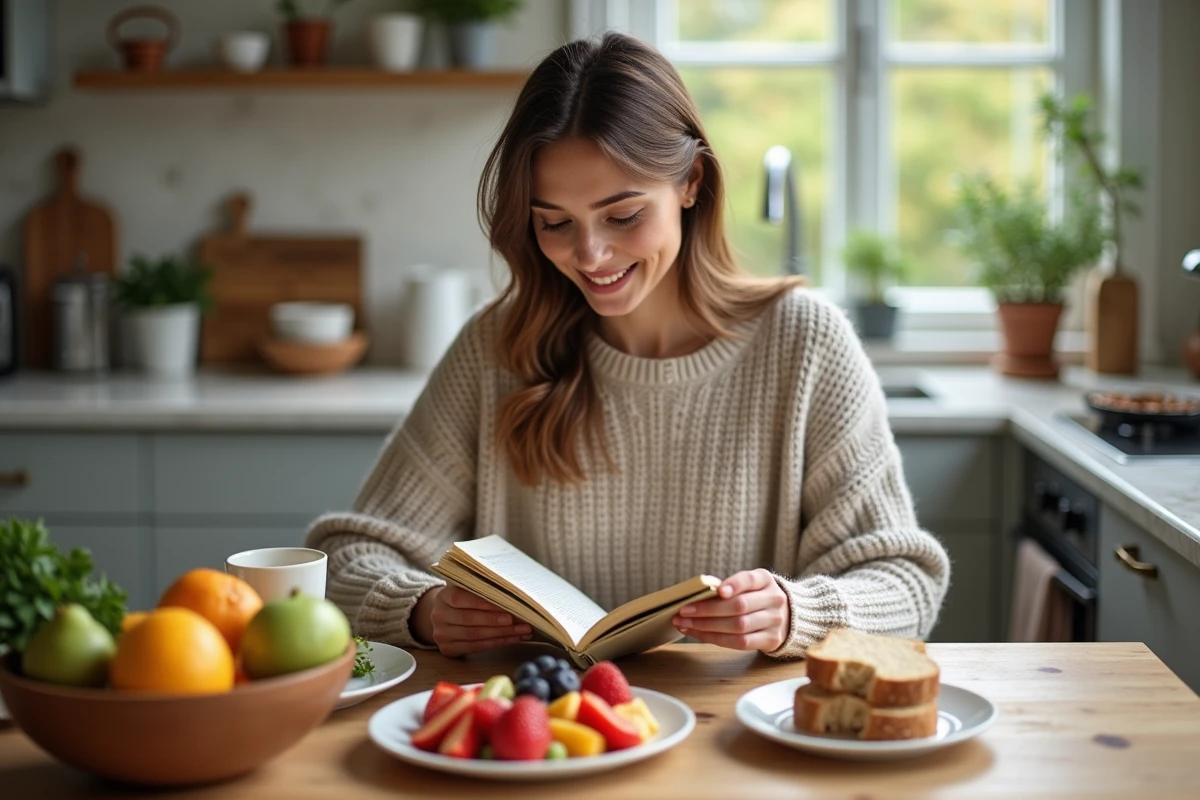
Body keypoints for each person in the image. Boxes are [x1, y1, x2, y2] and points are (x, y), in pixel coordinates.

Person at [305, 31, 949, 659]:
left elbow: (903, 582)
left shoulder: (804, 343)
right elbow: (346, 558)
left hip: (733, 745)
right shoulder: (497, 348)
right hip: (544, 741)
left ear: (691, 182)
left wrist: (794, 614)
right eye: (554, 223)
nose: (590, 255)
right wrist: (423, 609)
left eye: (623, 216)